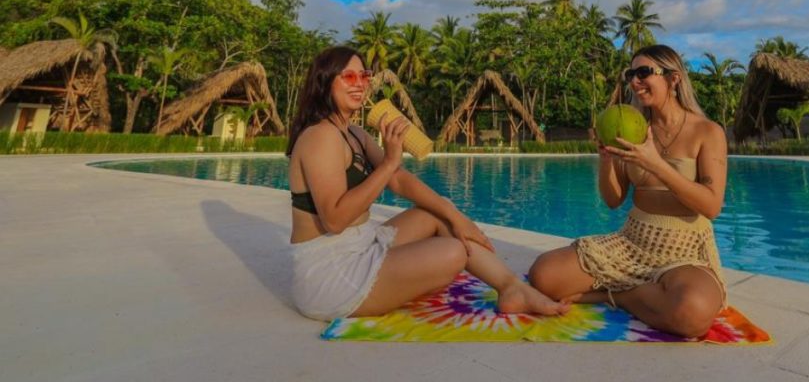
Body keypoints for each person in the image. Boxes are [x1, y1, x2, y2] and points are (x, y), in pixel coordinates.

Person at [287, 45, 568, 321]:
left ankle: (511, 288)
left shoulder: (355, 133)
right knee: (454, 252)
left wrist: (456, 216)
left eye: (364, 76)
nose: (360, 84)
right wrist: (388, 163)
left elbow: (397, 180)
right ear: (325, 83)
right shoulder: (320, 137)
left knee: (437, 213)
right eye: (349, 77)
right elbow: (335, 220)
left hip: (360, 244)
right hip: (330, 273)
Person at [528, 44, 728, 338]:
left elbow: (711, 206)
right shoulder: (632, 128)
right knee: (543, 275)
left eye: (644, 72)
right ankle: (642, 291)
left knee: (692, 316)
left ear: (674, 79)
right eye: (631, 73)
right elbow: (613, 200)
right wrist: (606, 159)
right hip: (634, 240)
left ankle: (622, 295)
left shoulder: (707, 132)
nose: (635, 80)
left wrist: (655, 164)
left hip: (685, 248)